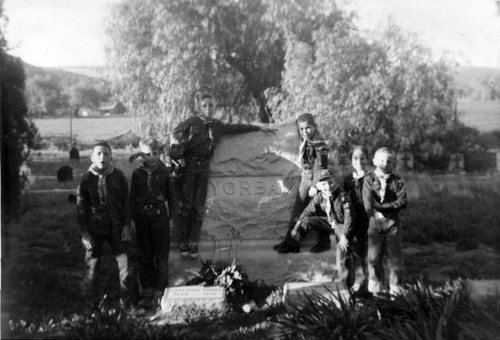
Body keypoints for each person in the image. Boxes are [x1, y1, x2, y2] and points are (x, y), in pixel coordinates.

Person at [169, 93, 276, 259]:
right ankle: (183, 241)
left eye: (211, 105)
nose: (208, 108)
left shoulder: (217, 125)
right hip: (189, 166)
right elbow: (174, 138)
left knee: (198, 207)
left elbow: (236, 128)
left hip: (204, 167)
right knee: (186, 206)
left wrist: (258, 128)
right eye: (204, 105)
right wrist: (178, 158)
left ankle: (193, 242)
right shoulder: (191, 123)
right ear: (199, 107)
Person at [76, 141, 134, 307]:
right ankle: (91, 304)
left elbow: (126, 203)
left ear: (111, 157)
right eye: (99, 154)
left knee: (126, 264)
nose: (103, 157)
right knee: (91, 267)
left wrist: (126, 225)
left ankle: (127, 303)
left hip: (116, 227)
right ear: (92, 157)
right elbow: (81, 207)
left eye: (106, 154)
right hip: (94, 229)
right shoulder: (86, 180)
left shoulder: (118, 176)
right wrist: (84, 233)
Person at [129, 138, 177, 304]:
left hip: (160, 216)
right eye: (147, 154)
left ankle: (161, 289)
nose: (151, 157)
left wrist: (171, 219)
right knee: (145, 254)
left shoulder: (164, 172)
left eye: (155, 153)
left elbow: (172, 197)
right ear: (142, 155)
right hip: (142, 216)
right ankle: (147, 289)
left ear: (159, 153)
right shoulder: (137, 174)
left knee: (161, 255)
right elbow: (132, 198)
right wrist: (132, 219)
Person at [273, 113, 329, 253]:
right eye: (301, 129)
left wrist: (316, 185)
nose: (305, 132)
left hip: (318, 181)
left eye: (308, 128)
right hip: (306, 179)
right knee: (298, 212)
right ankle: (292, 242)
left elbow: (322, 167)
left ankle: (324, 243)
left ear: (315, 127)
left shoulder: (320, 145)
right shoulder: (305, 140)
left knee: (320, 211)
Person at [290, 170, 354, 284]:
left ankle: (346, 284)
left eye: (330, 182)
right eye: (323, 184)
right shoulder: (320, 196)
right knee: (306, 220)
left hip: (341, 225)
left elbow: (349, 218)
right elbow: (307, 211)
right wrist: (296, 227)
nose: (328, 186)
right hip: (330, 222)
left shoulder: (342, 196)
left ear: (334, 181)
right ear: (318, 186)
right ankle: (297, 243)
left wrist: (344, 235)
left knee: (342, 256)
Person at [362, 147, 407, 295]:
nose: (385, 164)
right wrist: (375, 212)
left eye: (389, 161)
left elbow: (402, 201)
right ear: (374, 161)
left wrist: (382, 208)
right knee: (374, 258)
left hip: (392, 223)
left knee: (395, 258)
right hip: (374, 223)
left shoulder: (397, 180)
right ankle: (376, 290)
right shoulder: (369, 179)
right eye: (381, 160)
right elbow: (368, 202)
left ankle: (396, 290)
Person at [343, 146, 369, 292]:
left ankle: (363, 281)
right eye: (356, 158)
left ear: (367, 160)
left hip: (365, 218)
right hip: (352, 218)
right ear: (352, 161)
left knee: (363, 249)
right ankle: (349, 281)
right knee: (350, 249)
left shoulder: (371, 177)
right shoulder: (348, 179)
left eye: (362, 158)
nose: (359, 161)